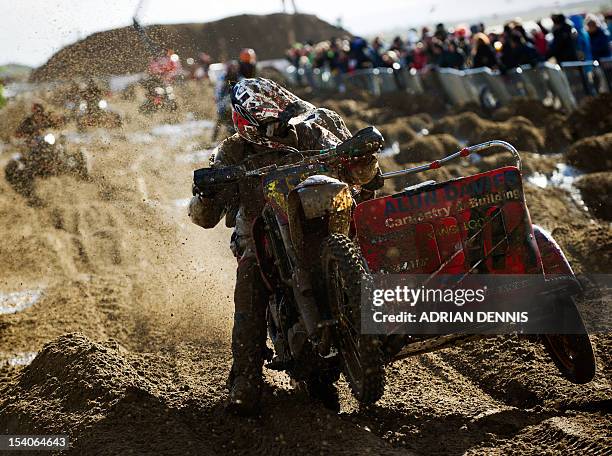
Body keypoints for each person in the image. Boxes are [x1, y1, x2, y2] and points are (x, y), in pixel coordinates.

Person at [188, 78, 381, 415]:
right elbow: (205, 218)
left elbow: (364, 174)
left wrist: (363, 158)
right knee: (250, 278)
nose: (282, 129)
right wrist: (206, 194)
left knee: (373, 232)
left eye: (285, 120)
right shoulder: (232, 151)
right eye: (273, 125)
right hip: (262, 232)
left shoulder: (311, 130)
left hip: (321, 217)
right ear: (248, 125)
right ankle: (244, 379)